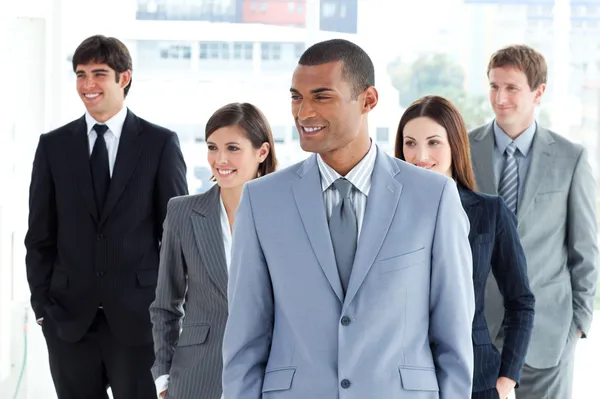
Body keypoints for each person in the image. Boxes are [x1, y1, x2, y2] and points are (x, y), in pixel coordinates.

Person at [222, 38, 475, 399]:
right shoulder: (261, 201)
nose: (304, 112)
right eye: (296, 97)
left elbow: (453, 336)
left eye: (322, 97)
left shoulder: (433, 198)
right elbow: (245, 342)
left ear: (368, 100)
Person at [24, 35, 188, 399]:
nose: (88, 85)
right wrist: (42, 309)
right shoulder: (54, 146)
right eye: (81, 74)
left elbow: (177, 238)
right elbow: (39, 236)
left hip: (139, 321)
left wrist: (172, 312)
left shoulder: (160, 144)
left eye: (99, 73)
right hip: (68, 322)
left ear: (124, 78)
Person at [469, 44, 598, 398]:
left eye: (512, 88)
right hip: (477, 331)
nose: (500, 97)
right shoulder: (464, 149)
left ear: (539, 92)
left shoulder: (571, 158)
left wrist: (578, 325)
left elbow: (585, 248)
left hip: (549, 333)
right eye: (494, 86)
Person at [396, 95, 535, 399]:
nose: (420, 155)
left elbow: (521, 300)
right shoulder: (385, 214)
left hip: (478, 379)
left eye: (433, 142)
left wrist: (506, 379)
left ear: (454, 144)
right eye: (409, 143)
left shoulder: (490, 212)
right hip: (402, 377)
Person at [150, 102, 277, 399]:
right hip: (196, 373)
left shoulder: (284, 214)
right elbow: (165, 305)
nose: (220, 159)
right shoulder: (182, 212)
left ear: (262, 152)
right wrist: (163, 377)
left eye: (233, 148)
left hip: (269, 371)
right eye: (212, 147)